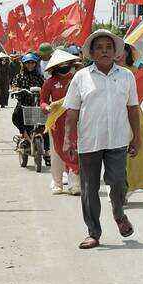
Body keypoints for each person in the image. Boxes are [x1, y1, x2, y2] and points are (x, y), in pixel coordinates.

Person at [63, 31, 141, 249]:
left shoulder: (126, 76)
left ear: (115, 51)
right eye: (100, 47)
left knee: (117, 182)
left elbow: (133, 109)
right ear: (92, 52)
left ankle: (119, 214)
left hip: (117, 139)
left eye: (109, 46)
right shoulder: (81, 77)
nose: (105, 50)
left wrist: (137, 138)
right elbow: (71, 111)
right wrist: (68, 139)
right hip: (89, 141)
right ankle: (93, 232)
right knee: (89, 188)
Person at [42, 50, 83, 195]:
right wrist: (47, 107)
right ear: (56, 67)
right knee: (57, 153)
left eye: (67, 64)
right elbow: (43, 101)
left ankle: (74, 184)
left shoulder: (78, 80)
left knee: (74, 151)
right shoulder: (50, 82)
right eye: (62, 65)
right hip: (56, 123)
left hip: (75, 121)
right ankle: (57, 183)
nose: (65, 67)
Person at [10, 53, 46, 139]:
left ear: (35, 64)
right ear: (24, 64)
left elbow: (45, 86)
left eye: (32, 63)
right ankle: (23, 133)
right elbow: (14, 86)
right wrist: (16, 89)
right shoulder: (19, 76)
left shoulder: (39, 76)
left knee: (44, 121)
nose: (30, 65)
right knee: (16, 116)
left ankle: (46, 148)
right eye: (27, 63)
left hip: (37, 103)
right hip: (23, 103)